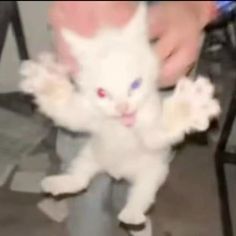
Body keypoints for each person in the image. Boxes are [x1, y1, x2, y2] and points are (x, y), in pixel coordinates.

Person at [45, 1, 236, 236]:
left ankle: (129, 207)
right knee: (84, 163)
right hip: (92, 36)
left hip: (169, 32)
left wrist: (198, 6)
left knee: (151, 154)